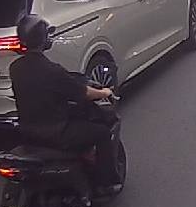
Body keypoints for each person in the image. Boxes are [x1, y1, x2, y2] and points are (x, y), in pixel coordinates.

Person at [9, 15, 121, 195]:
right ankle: (105, 184)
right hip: (57, 133)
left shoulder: (15, 68)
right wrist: (105, 92)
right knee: (101, 133)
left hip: (28, 132)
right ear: (44, 39)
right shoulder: (53, 71)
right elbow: (84, 93)